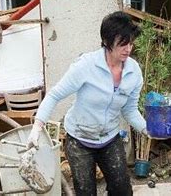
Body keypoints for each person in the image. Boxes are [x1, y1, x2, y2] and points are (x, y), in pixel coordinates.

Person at [27, 11, 148, 195]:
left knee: (122, 189)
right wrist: (37, 128)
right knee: (86, 191)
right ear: (107, 41)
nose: (128, 49)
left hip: (110, 139)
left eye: (130, 43)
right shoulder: (86, 66)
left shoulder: (133, 72)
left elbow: (130, 110)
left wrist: (147, 129)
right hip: (79, 140)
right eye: (122, 43)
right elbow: (54, 95)